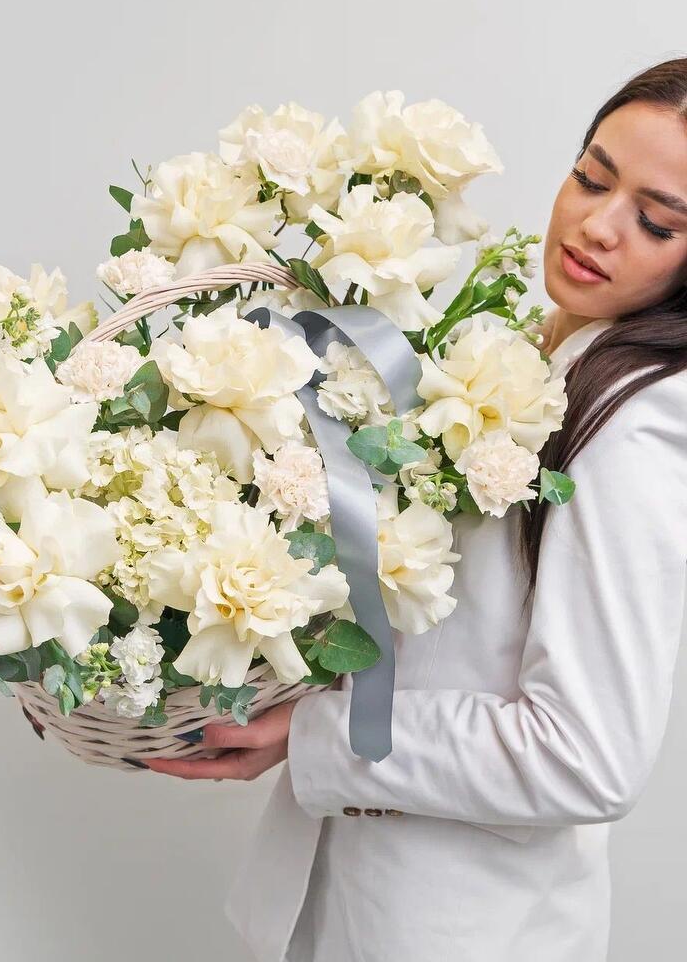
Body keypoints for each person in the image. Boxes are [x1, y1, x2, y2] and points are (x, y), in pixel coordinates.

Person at [141, 56, 687, 961]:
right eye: (591, 176)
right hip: (369, 900)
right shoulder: (544, 356)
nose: (596, 225)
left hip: (463, 928)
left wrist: (314, 737)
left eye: (656, 222)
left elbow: (587, 757)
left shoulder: (632, 427)